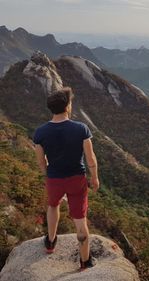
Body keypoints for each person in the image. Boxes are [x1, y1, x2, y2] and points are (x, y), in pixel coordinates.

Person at [33, 87, 100, 271]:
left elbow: (40, 161)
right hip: (77, 179)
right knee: (80, 219)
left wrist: (48, 175)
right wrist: (94, 178)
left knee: (53, 206)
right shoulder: (81, 129)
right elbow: (91, 159)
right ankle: (85, 261)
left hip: (54, 178)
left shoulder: (40, 132)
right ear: (68, 106)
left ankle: (51, 241)